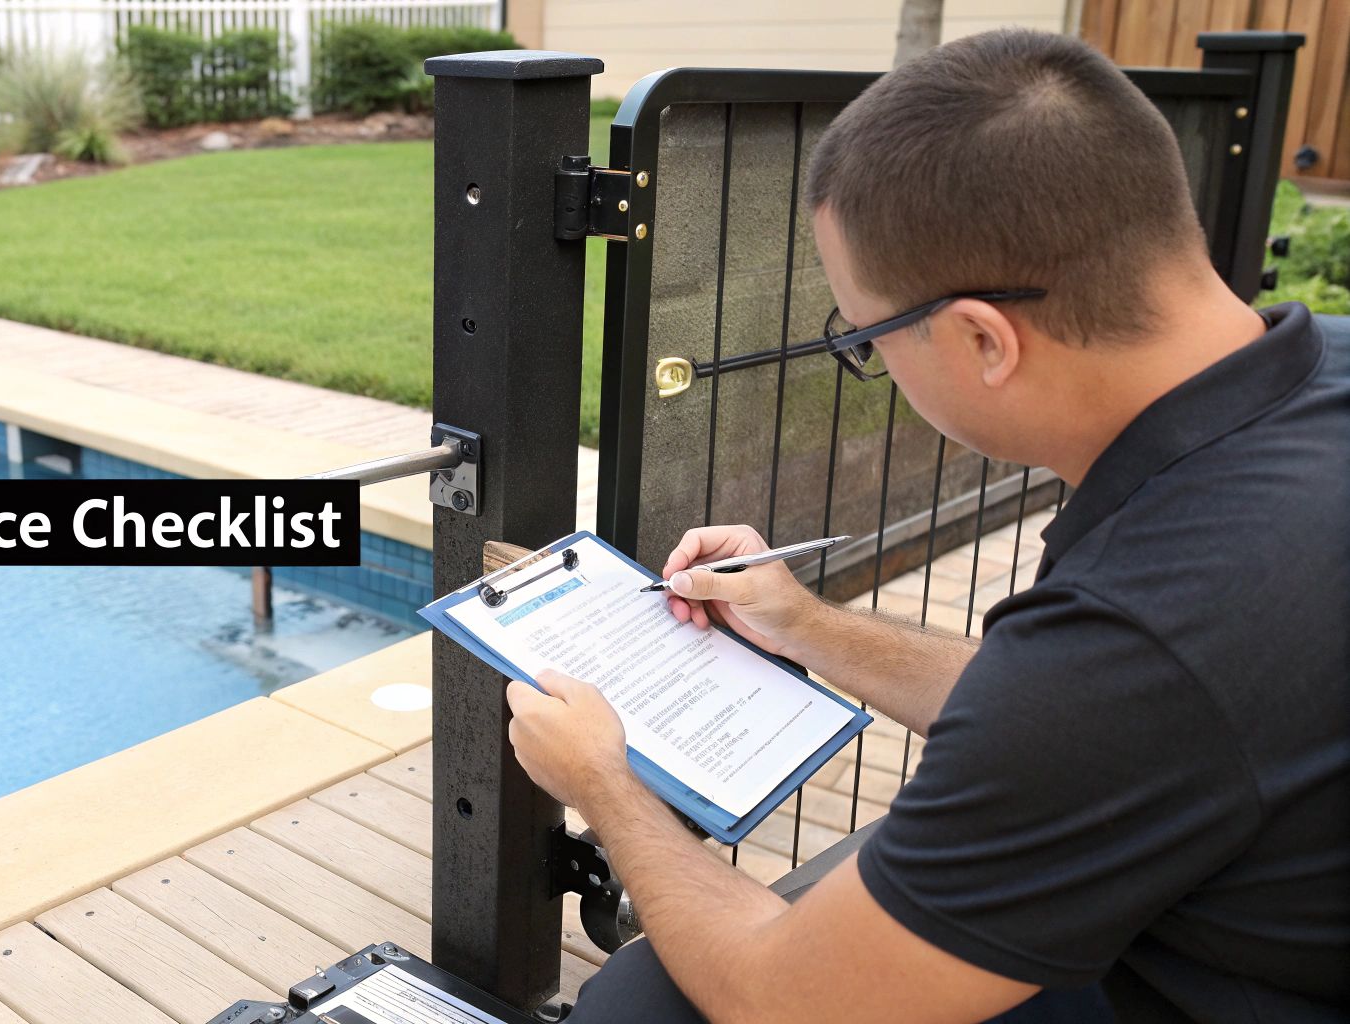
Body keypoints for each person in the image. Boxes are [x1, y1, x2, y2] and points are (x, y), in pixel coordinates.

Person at [504, 27, 1349, 1024]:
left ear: (980, 338)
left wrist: (604, 786)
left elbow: (783, 1000)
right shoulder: (1312, 378)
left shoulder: (1143, 634)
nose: (870, 364)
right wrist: (803, 626)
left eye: (861, 337)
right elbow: (1092, 720)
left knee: (640, 1009)